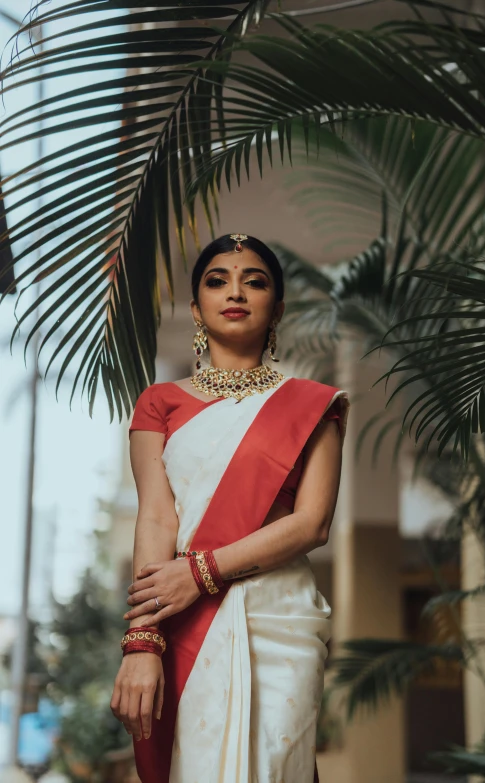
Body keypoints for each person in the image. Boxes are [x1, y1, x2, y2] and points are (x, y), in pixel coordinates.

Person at [110, 233, 350, 783]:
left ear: (278, 308)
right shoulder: (160, 403)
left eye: (255, 281)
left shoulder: (313, 405)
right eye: (217, 280)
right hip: (180, 615)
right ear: (196, 309)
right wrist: (142, 642)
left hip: (278, 617)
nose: (235, 291)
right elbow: (156, 518)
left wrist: (201, 571)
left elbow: (312, 524)